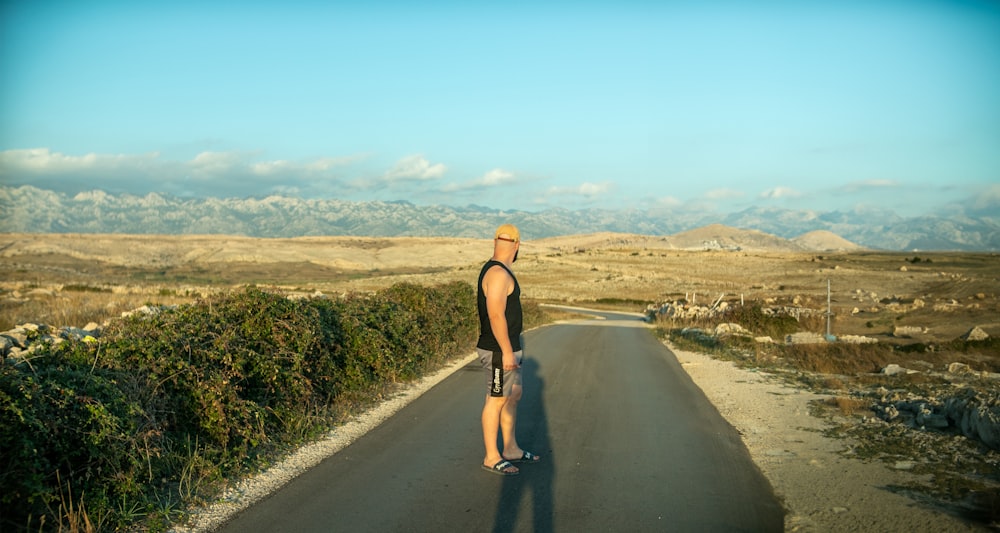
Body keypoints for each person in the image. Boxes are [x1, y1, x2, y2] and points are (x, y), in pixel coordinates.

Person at [478, 223, 541, 476]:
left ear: (495, 242)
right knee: (496, 400)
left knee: (513, 394)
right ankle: (491, 456)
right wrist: (505, 351)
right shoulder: (497, 274)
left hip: (510, 348)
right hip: (497, 350)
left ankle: (511, 448)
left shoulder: (501, 270)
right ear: (517, 246)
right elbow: (495, 315)